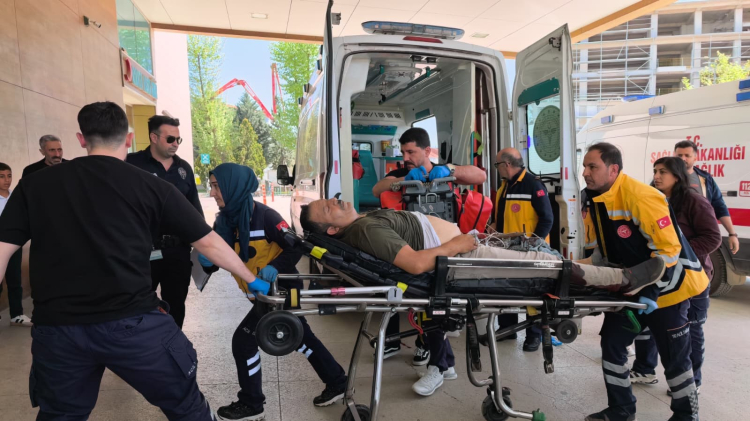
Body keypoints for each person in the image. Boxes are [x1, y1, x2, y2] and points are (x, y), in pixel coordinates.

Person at [0, 101, 270, 421]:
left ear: (82, 139)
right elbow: (208, 241)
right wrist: (252, 280)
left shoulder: (34, 185)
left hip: (58, 330)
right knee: (187, 408)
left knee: (60, 415)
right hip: (132, 323)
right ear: (129, 139)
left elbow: (3, 249)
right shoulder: (150, 185)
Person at [299, 199, 666, 397]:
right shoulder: (365, 230)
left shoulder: (362, 224)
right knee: (543, 266)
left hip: (462, 251)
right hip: (460, 261)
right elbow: (415, 264)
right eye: (328, 207)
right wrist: (458, 244)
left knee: (539, 256)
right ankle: (623, 281)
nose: (335, 200)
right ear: (331, 229)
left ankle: (607, 273)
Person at [199, 164, 348, 421]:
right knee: (301, 337)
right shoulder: (225, 222)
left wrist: (274, 267)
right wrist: (206, 261)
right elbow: (222, 257)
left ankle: (252, 403)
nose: (212, 193)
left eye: (216, 186)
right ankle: (337, 381)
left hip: (281, 292)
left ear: (233, 186)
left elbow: (297, 247)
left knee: (243, 342)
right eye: (211, 186)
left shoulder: (266, 217)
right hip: (261, 295)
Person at [580, 143, 708, 421]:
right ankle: (621, 409)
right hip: (633, 287)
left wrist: (651, 290)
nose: (585, 172)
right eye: (585, 166)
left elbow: (668, 251)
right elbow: (605, 250)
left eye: (592, 167)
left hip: (669, 289)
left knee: (675, 359)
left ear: (613, 169)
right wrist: (577, 269)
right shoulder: (595, 197)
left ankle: (687, 416)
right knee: (612, 344)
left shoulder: (641, 196)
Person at [371, 127, 487, 365]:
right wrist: (402, 181)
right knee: (393, 287)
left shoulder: (445, 170)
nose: (405, 157)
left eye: (411, 152)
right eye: (403, 152)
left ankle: (425, 345)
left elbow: (480, 176)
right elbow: (377, 190)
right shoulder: (402, 173)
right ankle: (391, 341)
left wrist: (450, 171)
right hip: (411, 242)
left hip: (443, 242)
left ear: (426, 151)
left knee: (432, 297)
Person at [629, 157, 721, 393]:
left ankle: (692, 381)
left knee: (691, 329)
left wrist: (680, 252)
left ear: (677, 176)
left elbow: (713, 238)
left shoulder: (694, 201)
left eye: (663, 172)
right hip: (661, 275)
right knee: (650, 322)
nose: (657, 176)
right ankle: (644, 369)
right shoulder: (653, 199)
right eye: (655, 171)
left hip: (692, 277)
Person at [126, 115, 202, 329]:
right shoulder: (131, 164)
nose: (175, 144)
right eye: (170, 139)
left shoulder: (184, 168)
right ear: (153, 137)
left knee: (176, 305)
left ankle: (173, 342)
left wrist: (203, 246)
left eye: (178, 139)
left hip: (177, 252)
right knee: (137, 305)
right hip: (141, 252)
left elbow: (194, 209)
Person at [489, 148, 553, 352]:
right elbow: (500, 217)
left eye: (497, 164)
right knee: (506, 288)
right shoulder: (504, 186)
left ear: (506, 164)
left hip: (530, 250)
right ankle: (507, 329)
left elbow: (547, 219)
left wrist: (534, 244)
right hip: (507, 248)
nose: (497, 168)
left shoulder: (533, 185)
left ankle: (534, 335)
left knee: (533, 293)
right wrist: (493, 229)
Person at [674, 140, 739, 254]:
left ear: (695, 158)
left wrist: (732, 234)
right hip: (673, 237)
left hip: (699, 238)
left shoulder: (705, 178)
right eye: (679, 155)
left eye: (687, 155)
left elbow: (719, 205)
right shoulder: (663, 177)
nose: (683, 159)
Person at [0, 163, 32, 326]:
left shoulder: (16, 197)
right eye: (2, 176)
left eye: (9, 176)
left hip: (14, 244)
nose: (7, 180)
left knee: (15, 280)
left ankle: (16, 314)